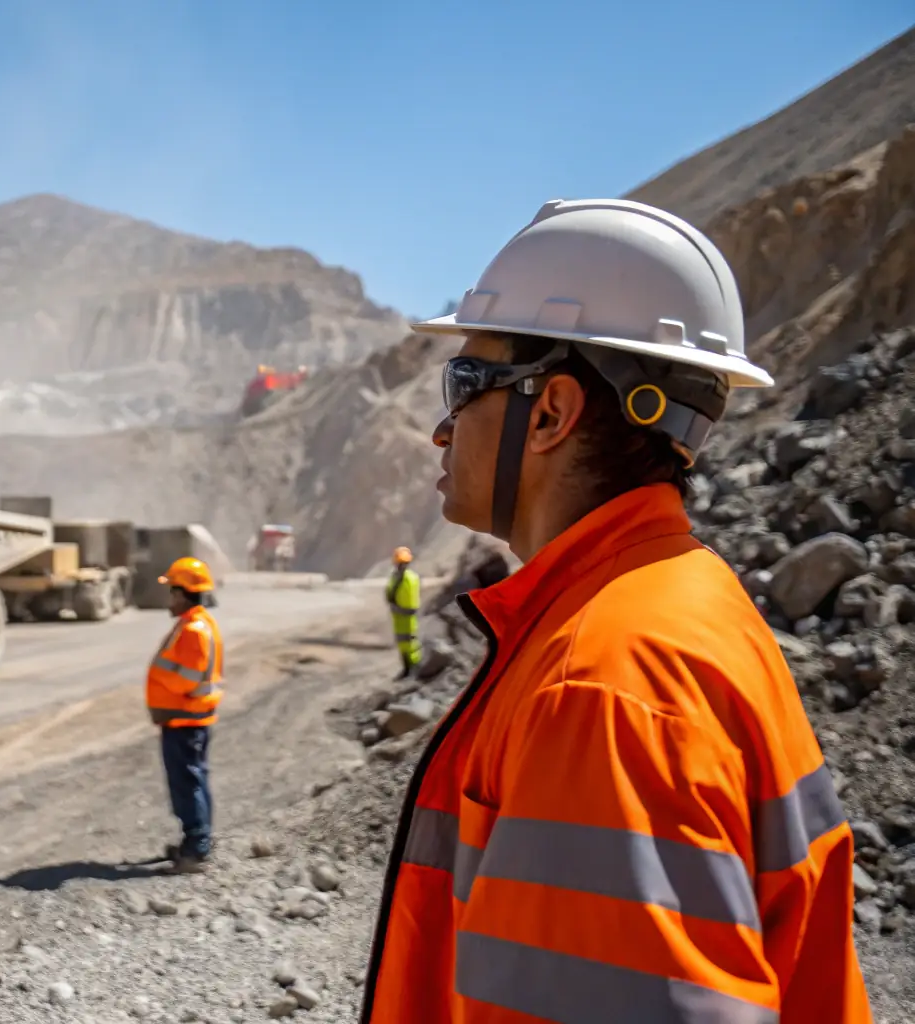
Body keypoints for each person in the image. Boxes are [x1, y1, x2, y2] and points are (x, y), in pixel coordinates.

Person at [359, 198, 872, 1023]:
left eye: (463, 383)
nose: (440, 430)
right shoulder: (685, 598)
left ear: (552, 413)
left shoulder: (602, 686)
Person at [146, 556, 223, 874]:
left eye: (172, 591)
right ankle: (197, 841)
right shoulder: (195, 623)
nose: (170, 598)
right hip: (186, 719)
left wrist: (159, 676)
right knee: (193, 780)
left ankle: (196, 848)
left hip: (185, 719)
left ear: (183, 592)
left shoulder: (193, 629)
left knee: (188, 782)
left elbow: (188, 678)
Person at [384, 546, 421, 679]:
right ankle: (407, 668)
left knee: (410, 641)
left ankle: (413, 669)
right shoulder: (405, 577)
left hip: (405, 615)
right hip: (400, 615)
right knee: (404, 642)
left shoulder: (406, 578)